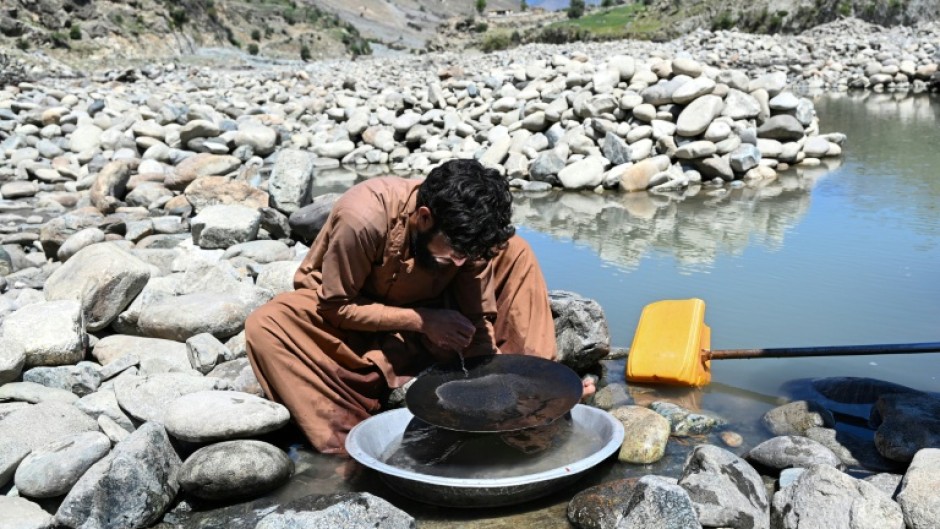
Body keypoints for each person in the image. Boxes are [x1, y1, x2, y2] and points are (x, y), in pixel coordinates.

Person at [245, 159, 593, 455]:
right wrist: (421, 321)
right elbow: (336, 307)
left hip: (435, 308)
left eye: (467, 256)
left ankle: (536, 390)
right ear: (424, 218)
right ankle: (355, 442)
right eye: (454, 252)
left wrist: (488, 376)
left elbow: (475, 309)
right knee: (268, 324)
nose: (461, 261)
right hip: (357, 321)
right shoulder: (363, 218)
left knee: (515, 251)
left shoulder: (467, 241)